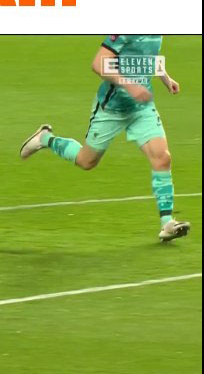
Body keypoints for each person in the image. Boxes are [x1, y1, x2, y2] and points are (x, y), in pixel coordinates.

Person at [20, 35, 191, 242]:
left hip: (141, 108)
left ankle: (167, 223)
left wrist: (165, 78)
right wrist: (131, 86)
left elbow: (147, 56)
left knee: (162, 158)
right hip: (111, 109)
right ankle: (45, 138)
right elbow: (98, 63)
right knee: (86, 161)